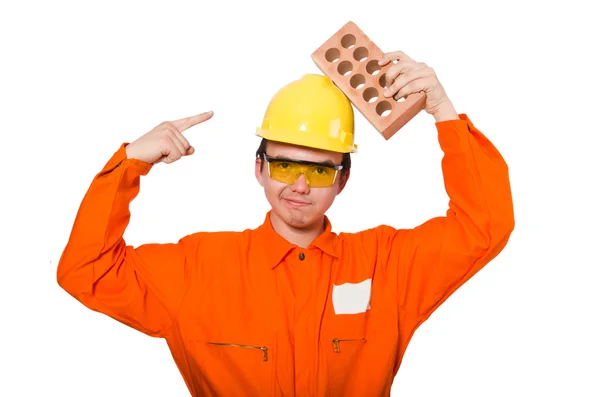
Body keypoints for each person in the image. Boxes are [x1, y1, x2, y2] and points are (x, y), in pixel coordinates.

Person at [57, 49, 514, 396]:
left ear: (343, 180)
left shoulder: (387, 267)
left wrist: (444, 112)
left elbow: (484, 226)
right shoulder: (198, 269)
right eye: (282, 166)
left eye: (319, 170)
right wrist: (129, 165)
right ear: (258, 169)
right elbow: (86, 271)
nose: (299, 185)